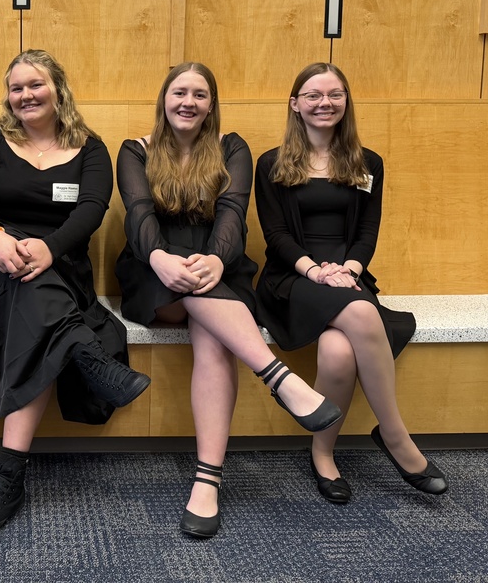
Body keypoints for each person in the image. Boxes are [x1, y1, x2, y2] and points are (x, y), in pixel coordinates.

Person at [115, 62, 342, 538]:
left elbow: (233, 213)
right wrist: (159, 257)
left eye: (200, 94)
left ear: (211, 104)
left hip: (218, 266)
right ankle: (281, 379)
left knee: (214, 337)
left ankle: (207, 482)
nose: (188, 102)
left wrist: (217, 260)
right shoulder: (135, 150)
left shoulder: (231, 148)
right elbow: (138, 216)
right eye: (179, 92)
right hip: (152, 267)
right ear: (164, 99)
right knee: (193, 290)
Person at [0, 49, 150, 537]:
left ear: (58, 89)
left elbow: (92, 210)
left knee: (36, 307)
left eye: (35, 85)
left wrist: (50, 248)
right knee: (30, 297)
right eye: (16, 88)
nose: (25, 95)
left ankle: (9, 479)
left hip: (59, 264)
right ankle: (87, 355)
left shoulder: (90, 148)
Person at [254, 62, 448, 504]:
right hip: (295, 277)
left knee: (338, 353)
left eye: (335, 94)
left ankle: (323, 454)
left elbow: (366, 233)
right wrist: (317, 270)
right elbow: (276, 235)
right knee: (360, 310)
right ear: (295, 104)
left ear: (346, 101)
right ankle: (397, 438)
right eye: (313, 95)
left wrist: (350, 271)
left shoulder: (368, 162)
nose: (325, 103)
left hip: (349, 274)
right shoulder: (272, 163)